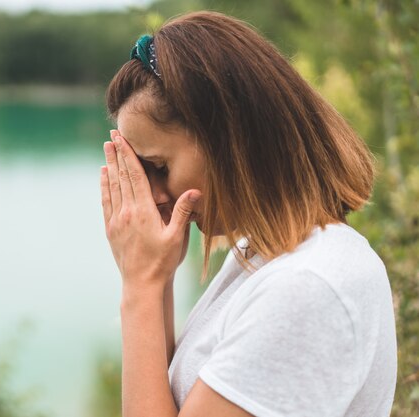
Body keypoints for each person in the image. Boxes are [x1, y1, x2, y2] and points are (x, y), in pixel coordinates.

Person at [99, 10, 397, 417]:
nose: (152, 197)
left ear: (227, 136)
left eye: (159, 168)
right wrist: (157, 276)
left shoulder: (308, 287)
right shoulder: (265, 255)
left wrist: (141, 285)